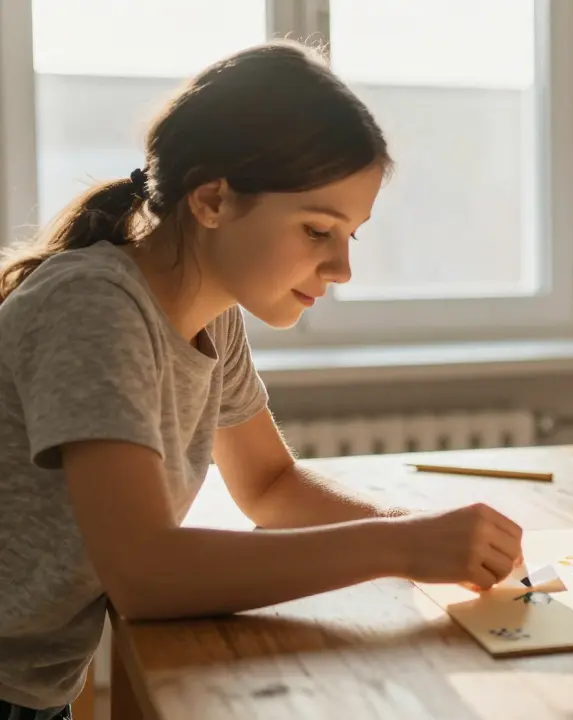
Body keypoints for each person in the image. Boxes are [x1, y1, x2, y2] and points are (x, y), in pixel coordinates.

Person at [0, 41, 522, 718]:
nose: (341, 269)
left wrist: (420, 529)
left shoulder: (211, 318)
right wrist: (398, 546)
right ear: (213, 199)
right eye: (316, 230)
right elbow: (144, 573)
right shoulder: (94, 306)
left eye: (351, 236)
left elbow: (270, 485)